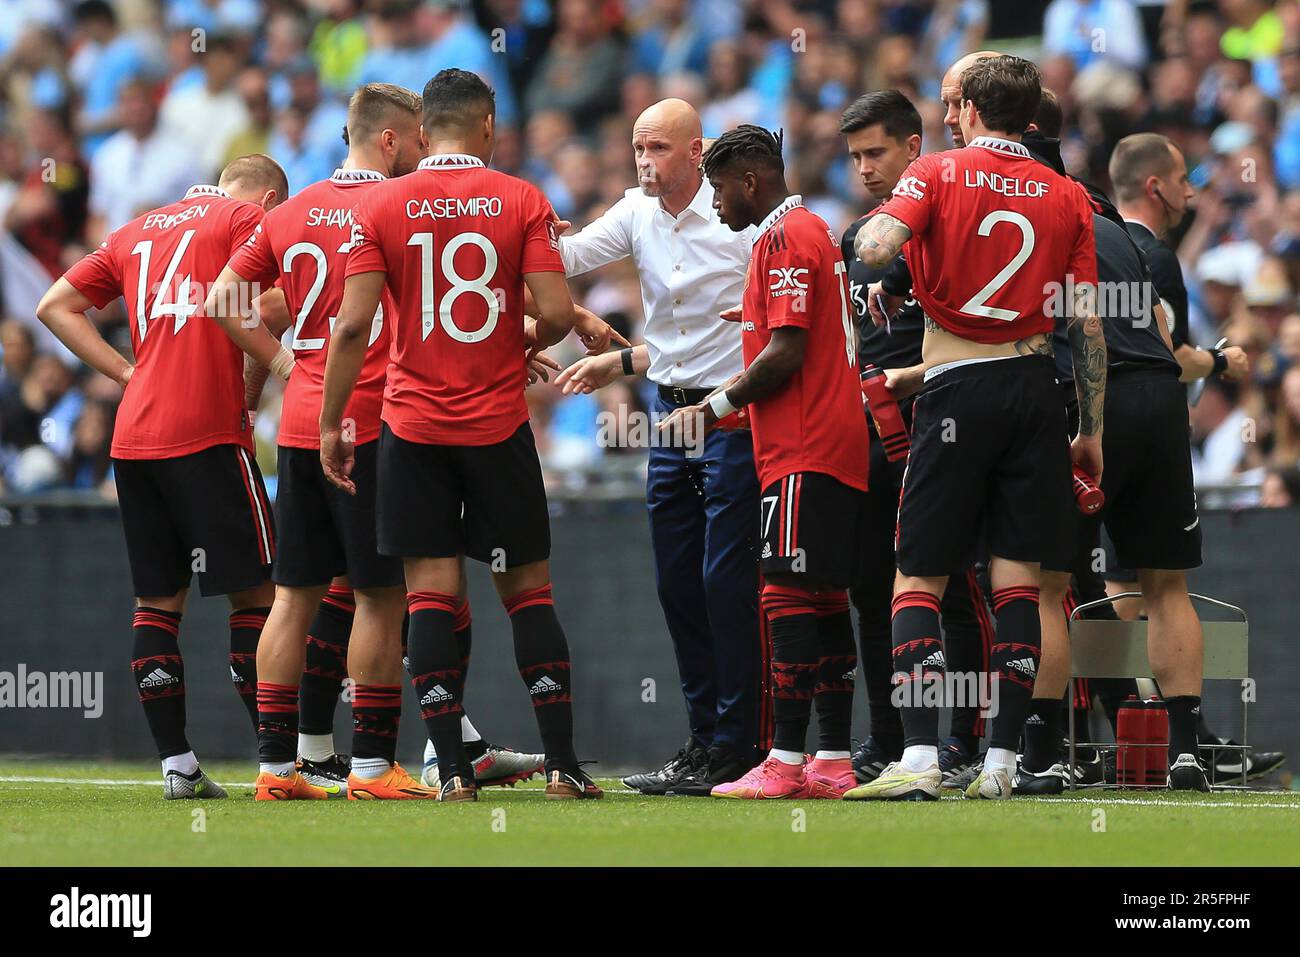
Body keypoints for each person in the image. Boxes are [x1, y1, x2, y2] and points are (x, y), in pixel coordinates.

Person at [320, 68, 610, 801]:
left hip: (413, 430)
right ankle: (565, 768)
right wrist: (513, 345)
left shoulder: (383, 203)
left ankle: (451, 771)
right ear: (488, 128)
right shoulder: (520, 198)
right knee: (528, 595)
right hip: (496, 429)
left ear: (423, 135)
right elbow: (554, 310)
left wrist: (333, 421)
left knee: (429, 596)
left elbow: (352, 325)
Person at [844, 55, 1105, 801]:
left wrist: (896, 246)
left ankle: (921, 756)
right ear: (1030, 115)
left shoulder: (939, 172)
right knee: (1019, 582)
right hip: (1034, 388)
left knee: (918, 573)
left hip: (955, 386)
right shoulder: (1068, 195)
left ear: (971, 110)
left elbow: (874, 248)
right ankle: (1000, 764)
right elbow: (1087, 326)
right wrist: (1089, 427)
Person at [35, 155, 289, 799]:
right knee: (258, 600)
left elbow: (55, 306)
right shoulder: (242, 221)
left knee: (156, 606)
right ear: (267, 200)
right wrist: (287, 367)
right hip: (206, 432)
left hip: (135, 438)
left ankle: (177, 766)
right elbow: (266, 300)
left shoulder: (135, 230)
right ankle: (279, 767)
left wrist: (125, 374)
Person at [553, 98, 765, 796]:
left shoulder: (741, 217)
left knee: (725, 583)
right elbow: (568, 256)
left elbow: (779, 324)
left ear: (697, 151)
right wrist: (521, 229)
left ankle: (741, 742)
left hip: (733, 416)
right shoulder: (635, 212)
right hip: (669, 422)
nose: (644, 162)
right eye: (638, 148)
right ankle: (706, 741)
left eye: (658, 149)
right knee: (678, 585)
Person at [659, 124, 869, 800]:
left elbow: (785, 352)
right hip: (837, 442)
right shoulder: (810, 231)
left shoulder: (782, 236)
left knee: (781, 595)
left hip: (800, 445)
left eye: (720, 188)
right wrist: (747, 316)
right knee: (827, 598)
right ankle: (832, 760)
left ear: (750, 181)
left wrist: (710, 405)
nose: (715, 203)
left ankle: (782, 758)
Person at [838, 89, 995, 790]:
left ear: (912, 147)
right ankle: (894, 737)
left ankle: (960, 738)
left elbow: (977, 329)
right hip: (871, 428)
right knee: (875, 589)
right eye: (853, 156)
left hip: (944, 418)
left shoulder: (948, 217)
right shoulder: (857, 238)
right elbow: (855, 339)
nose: (865, 167)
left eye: (876, 152)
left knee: (954, 591)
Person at [1110, 132, 1250, 384]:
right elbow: (1172, 359)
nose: (1190, 192)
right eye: (1183, 180)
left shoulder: (1089, 246)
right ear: (1154, 187)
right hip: (1143, 412)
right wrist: (1224, 360)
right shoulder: (1155, 258)